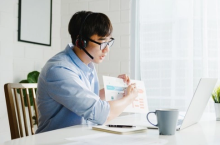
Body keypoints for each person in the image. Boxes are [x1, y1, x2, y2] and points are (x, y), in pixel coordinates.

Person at [35, 11, 138, 134]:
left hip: (79, 137)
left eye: (109, 42)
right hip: (57, 141)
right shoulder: (59, 70)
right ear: (81, 41)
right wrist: (130, 98)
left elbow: (87, 99)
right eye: (102, 42)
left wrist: (117, 90)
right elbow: (102, 114)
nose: (107, 49)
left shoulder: (87, 63)